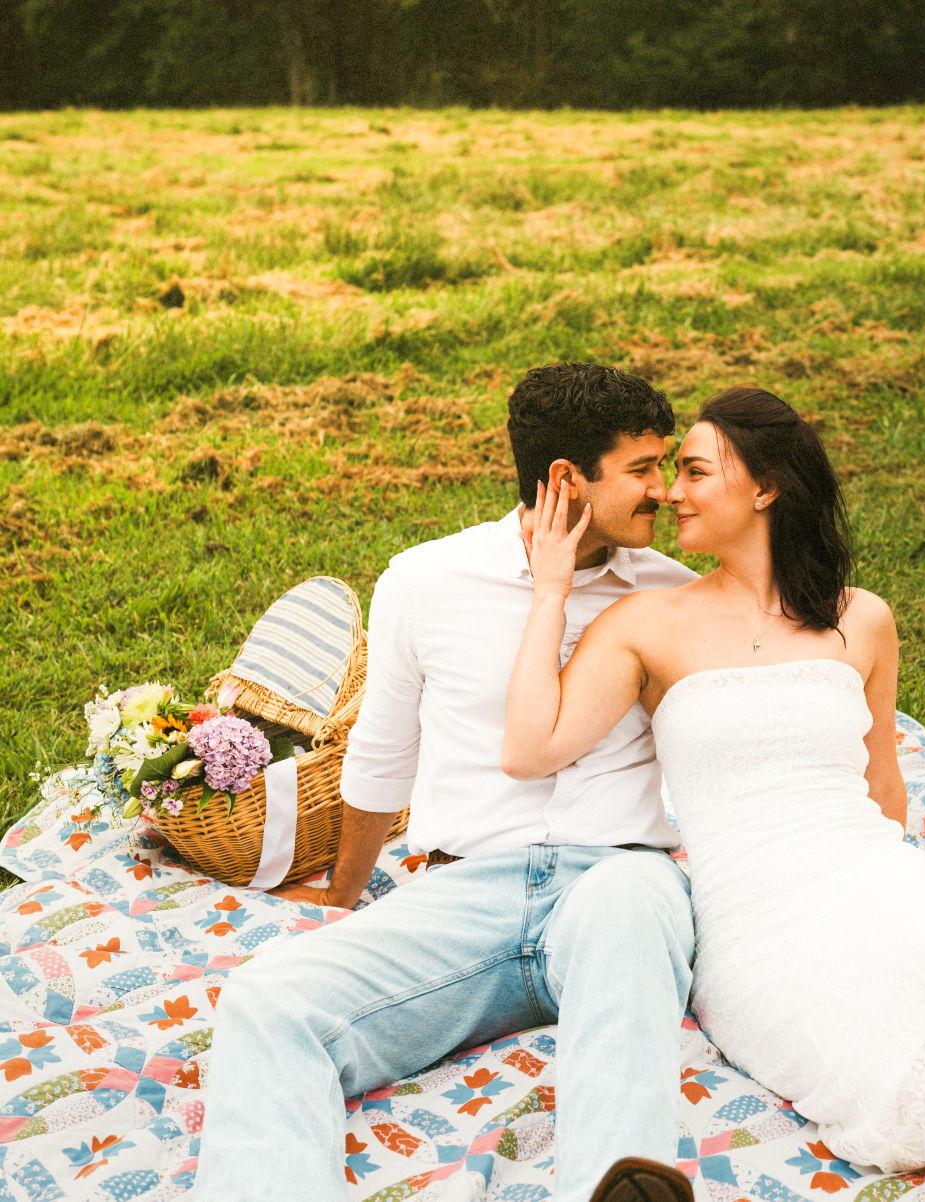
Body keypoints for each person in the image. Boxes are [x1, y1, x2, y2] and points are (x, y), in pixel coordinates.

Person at [501, 384, 925, 1174]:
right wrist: (551, 588)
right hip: (750, 918)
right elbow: (530, 748)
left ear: (765, 488)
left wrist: (901, 907)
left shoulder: (860, 618)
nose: (670, 492)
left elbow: (882, 780)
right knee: (907, 1113)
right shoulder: (644, 624)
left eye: (695, 472)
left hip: (864, 871)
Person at [192, 363, 701, 1202]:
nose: (666, 490)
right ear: (568, 479)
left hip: (617, 878)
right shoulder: (426, 581)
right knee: (265, 1000)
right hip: (466, 896)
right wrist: (344, 893)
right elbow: (382, 755)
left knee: (629, 909)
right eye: (643, 468)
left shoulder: (678, 596)